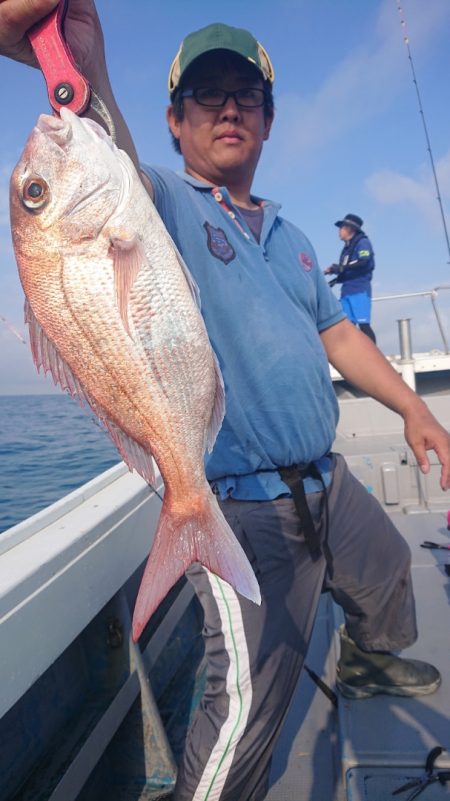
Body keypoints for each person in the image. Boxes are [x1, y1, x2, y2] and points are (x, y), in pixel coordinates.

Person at [2, 4, 450, 800]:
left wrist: (413, 410)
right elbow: (109, 163)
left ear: (271, 120)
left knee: (387, 573)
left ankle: (371, 655)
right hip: (239, 506)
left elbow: (339, 336)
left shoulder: (293, 236)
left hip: (326, 479)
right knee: (243, 715)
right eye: (206, 96)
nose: (230, 108)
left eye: (247, 94)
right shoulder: (164, 204)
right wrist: (81, 65)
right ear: (173, 123)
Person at [324, 213, 377, 343]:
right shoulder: (347, 248)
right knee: (348, 327)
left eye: (341, 227)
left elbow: (363, 261)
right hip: (347, 291)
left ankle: (374, 357)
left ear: (350, 229)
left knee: (364, 325)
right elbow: (348, 269)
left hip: (359, 290)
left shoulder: (363, 242)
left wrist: (340, 268)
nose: (339, 231)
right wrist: (334, 275)